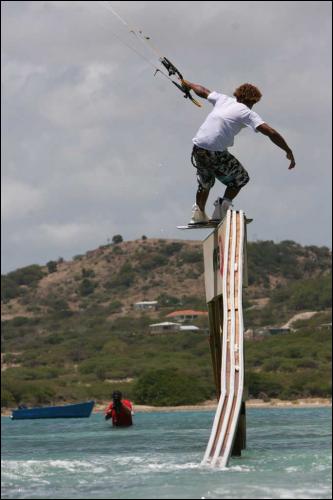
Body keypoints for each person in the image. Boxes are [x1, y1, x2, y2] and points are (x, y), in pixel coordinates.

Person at [180, 80, 296, 224]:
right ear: (253, 101)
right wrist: (288, 150)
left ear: (238, 95)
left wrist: (188, 84)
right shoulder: (247, 113)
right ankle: (221, 211)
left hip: (199, 148)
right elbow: (270, 132)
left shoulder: (223, 99)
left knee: (205, 182)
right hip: (215, 152)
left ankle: (198, 214)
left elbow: (203, 90)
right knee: (241, 178)